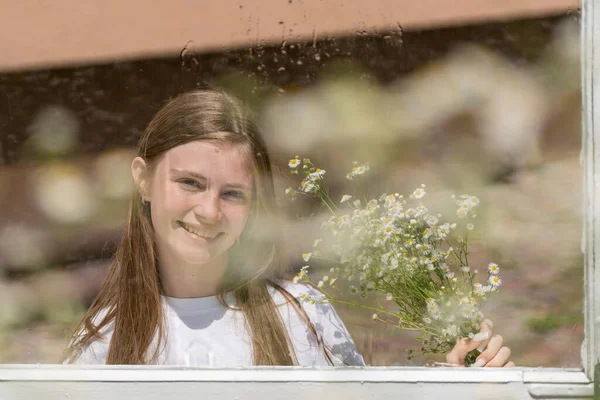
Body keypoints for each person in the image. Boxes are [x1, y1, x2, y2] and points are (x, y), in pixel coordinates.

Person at [61, 88, 513, 367]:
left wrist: (456, 381)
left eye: (233, 193)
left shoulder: (302, 316)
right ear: (143, 179)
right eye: (189, 183)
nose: (209, 211)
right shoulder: (106, 341)